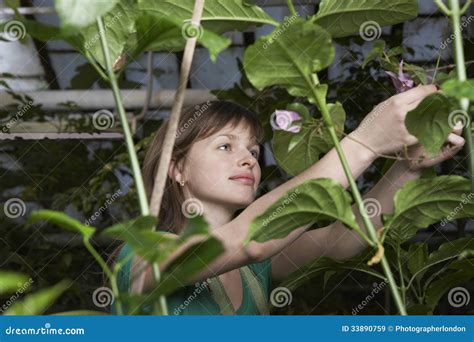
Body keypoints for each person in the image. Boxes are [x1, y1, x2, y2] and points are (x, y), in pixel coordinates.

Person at [110, 85, 464, 315]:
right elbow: (249, 241)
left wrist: (407, 167)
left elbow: (340, 241)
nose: (249, 158)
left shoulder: (254, 270)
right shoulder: (143, 255)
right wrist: (364, 144)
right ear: (177, 169)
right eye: (225, 146)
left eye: (253, 149)